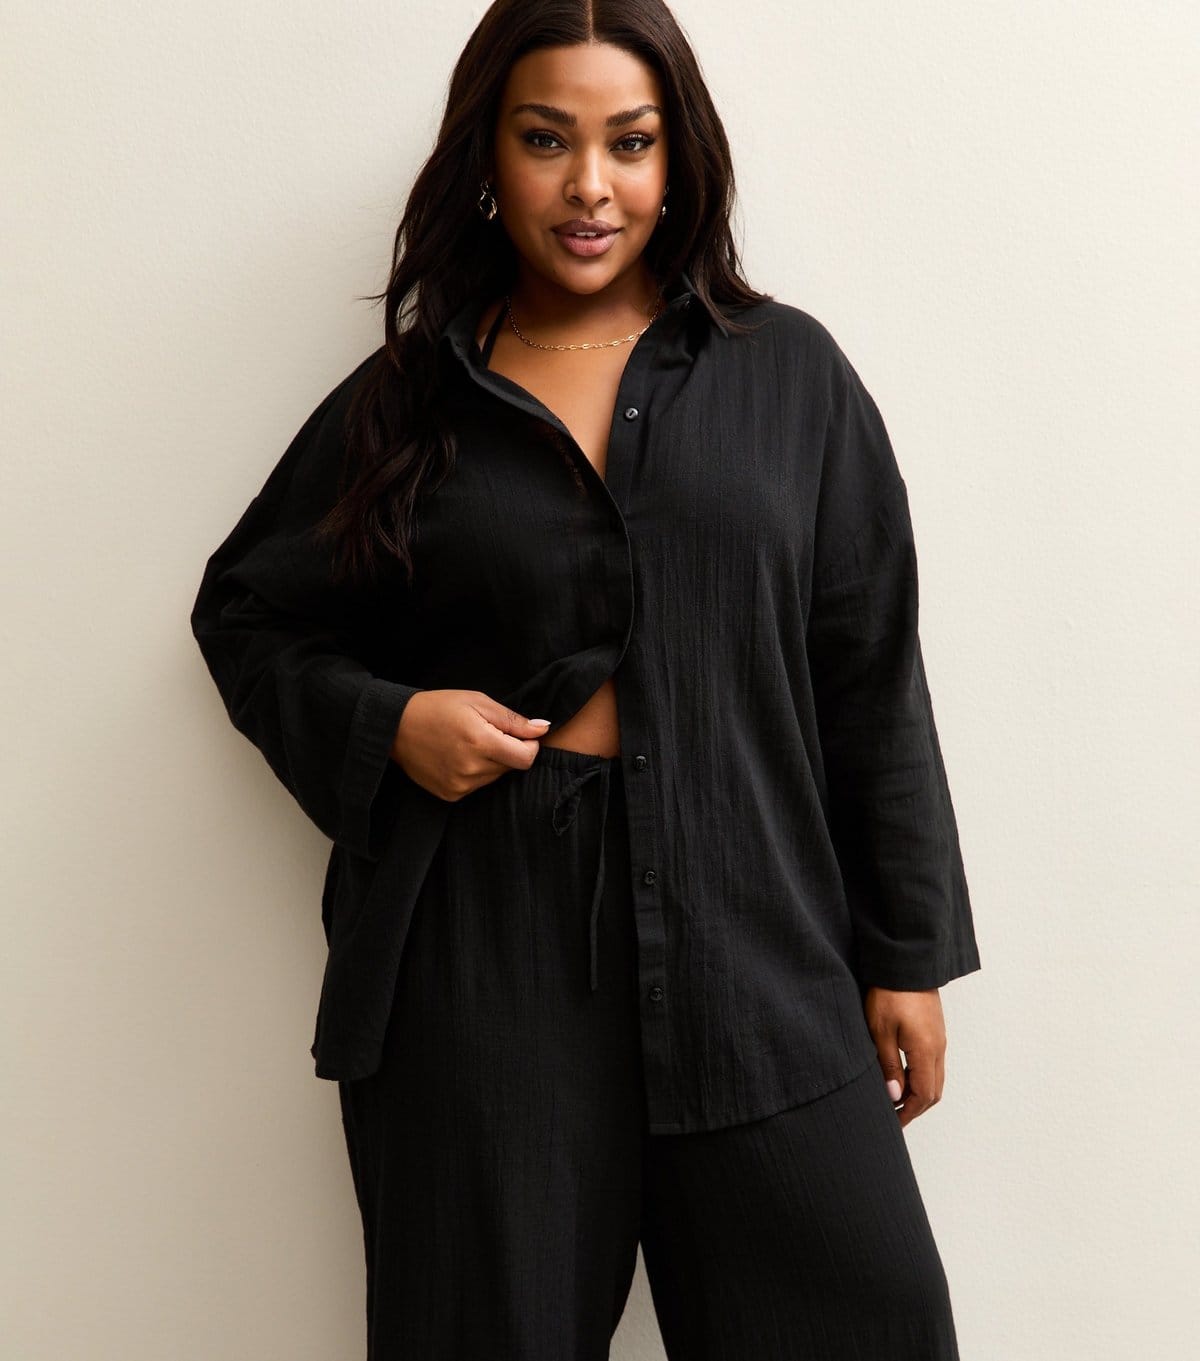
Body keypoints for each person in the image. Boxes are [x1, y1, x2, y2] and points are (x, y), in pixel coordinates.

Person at [190, 1, 983, 1356]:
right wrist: (391, 724)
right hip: (484, 957)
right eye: (547, 140)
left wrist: (907, 953)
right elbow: (247, 610)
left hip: (758, 935)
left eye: (631, 141)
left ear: (679, 159)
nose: (591, 186)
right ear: (488, 159)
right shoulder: (410, 403)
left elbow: (869, 667)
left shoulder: (787, 376)